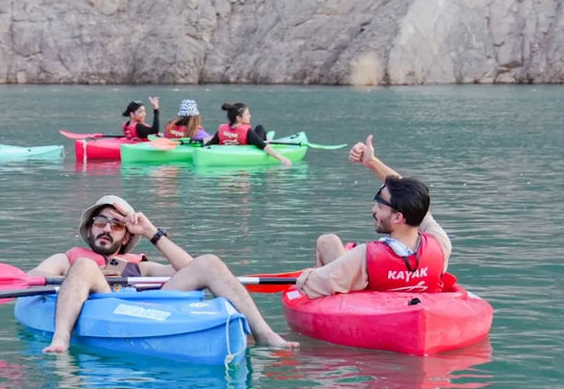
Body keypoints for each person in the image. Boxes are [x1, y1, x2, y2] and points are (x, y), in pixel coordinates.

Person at [35, 194, 297, 353]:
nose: (107, 228)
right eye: (100, 222)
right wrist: (84, 278)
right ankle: (62, 337)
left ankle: (263, 333)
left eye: (116, 224)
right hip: (102, 303)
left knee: (210, 262)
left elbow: (192, 270)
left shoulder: (140, 266)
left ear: (126, 236)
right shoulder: (68, 260)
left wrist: (151, 233)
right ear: (90, 229)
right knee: (85, 266)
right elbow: (33, 279)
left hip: (144, 310)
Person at [294, 135, 452, 298]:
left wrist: (308, 275)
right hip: (422, 310)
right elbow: (417, 200)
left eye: (380, 204)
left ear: (397, 218)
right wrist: (372, 162)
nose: (373, 209)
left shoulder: (365, 257)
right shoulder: (440, 244)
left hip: (371, 317)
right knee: (328, 242)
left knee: (326, 242)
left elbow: (310, 285)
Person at [204, 102, 291, 166]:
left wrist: (204, 142)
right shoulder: (247, 132)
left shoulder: (222, 129)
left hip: (249, 144)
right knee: (260, 128)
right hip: (252, 143)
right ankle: (267, 139)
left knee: (259, 129)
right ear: (238, 118)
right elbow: (263, 146)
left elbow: (209, 144)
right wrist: (282, 158)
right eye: (247, 114)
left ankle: (268, 138)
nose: (250, 116)